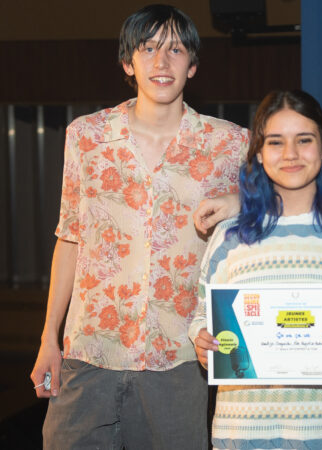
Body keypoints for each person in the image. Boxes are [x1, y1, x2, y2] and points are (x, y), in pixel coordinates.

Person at [29, 5, 248, 448]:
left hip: (180, 357)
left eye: (176, 49)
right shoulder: (86, 136)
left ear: (193, 65)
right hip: (88, 353)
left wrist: (242, 200)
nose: (162, 62)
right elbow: (70, 237)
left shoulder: (230, 143)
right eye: (148, 48)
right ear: (129, 62)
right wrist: (48, 339)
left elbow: (286, 209)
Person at [191, 90, 322, 449]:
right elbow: (202, 314)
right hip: (245, 435)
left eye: (304, 140)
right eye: (276, 142)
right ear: (259, 153)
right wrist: (204, 340)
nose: (290, 154)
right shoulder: (230, 237)